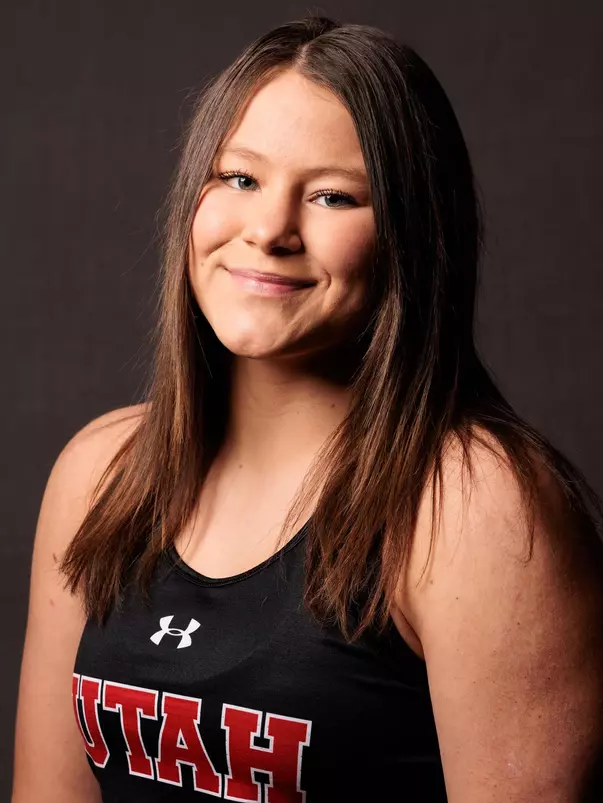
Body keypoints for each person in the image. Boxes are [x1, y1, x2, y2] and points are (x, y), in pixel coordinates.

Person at [12, 13, 603, 803]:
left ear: (410, 235)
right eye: (239, 178)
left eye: (332, 195)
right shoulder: (100, 474)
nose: (268, 230)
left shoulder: (473, 507)